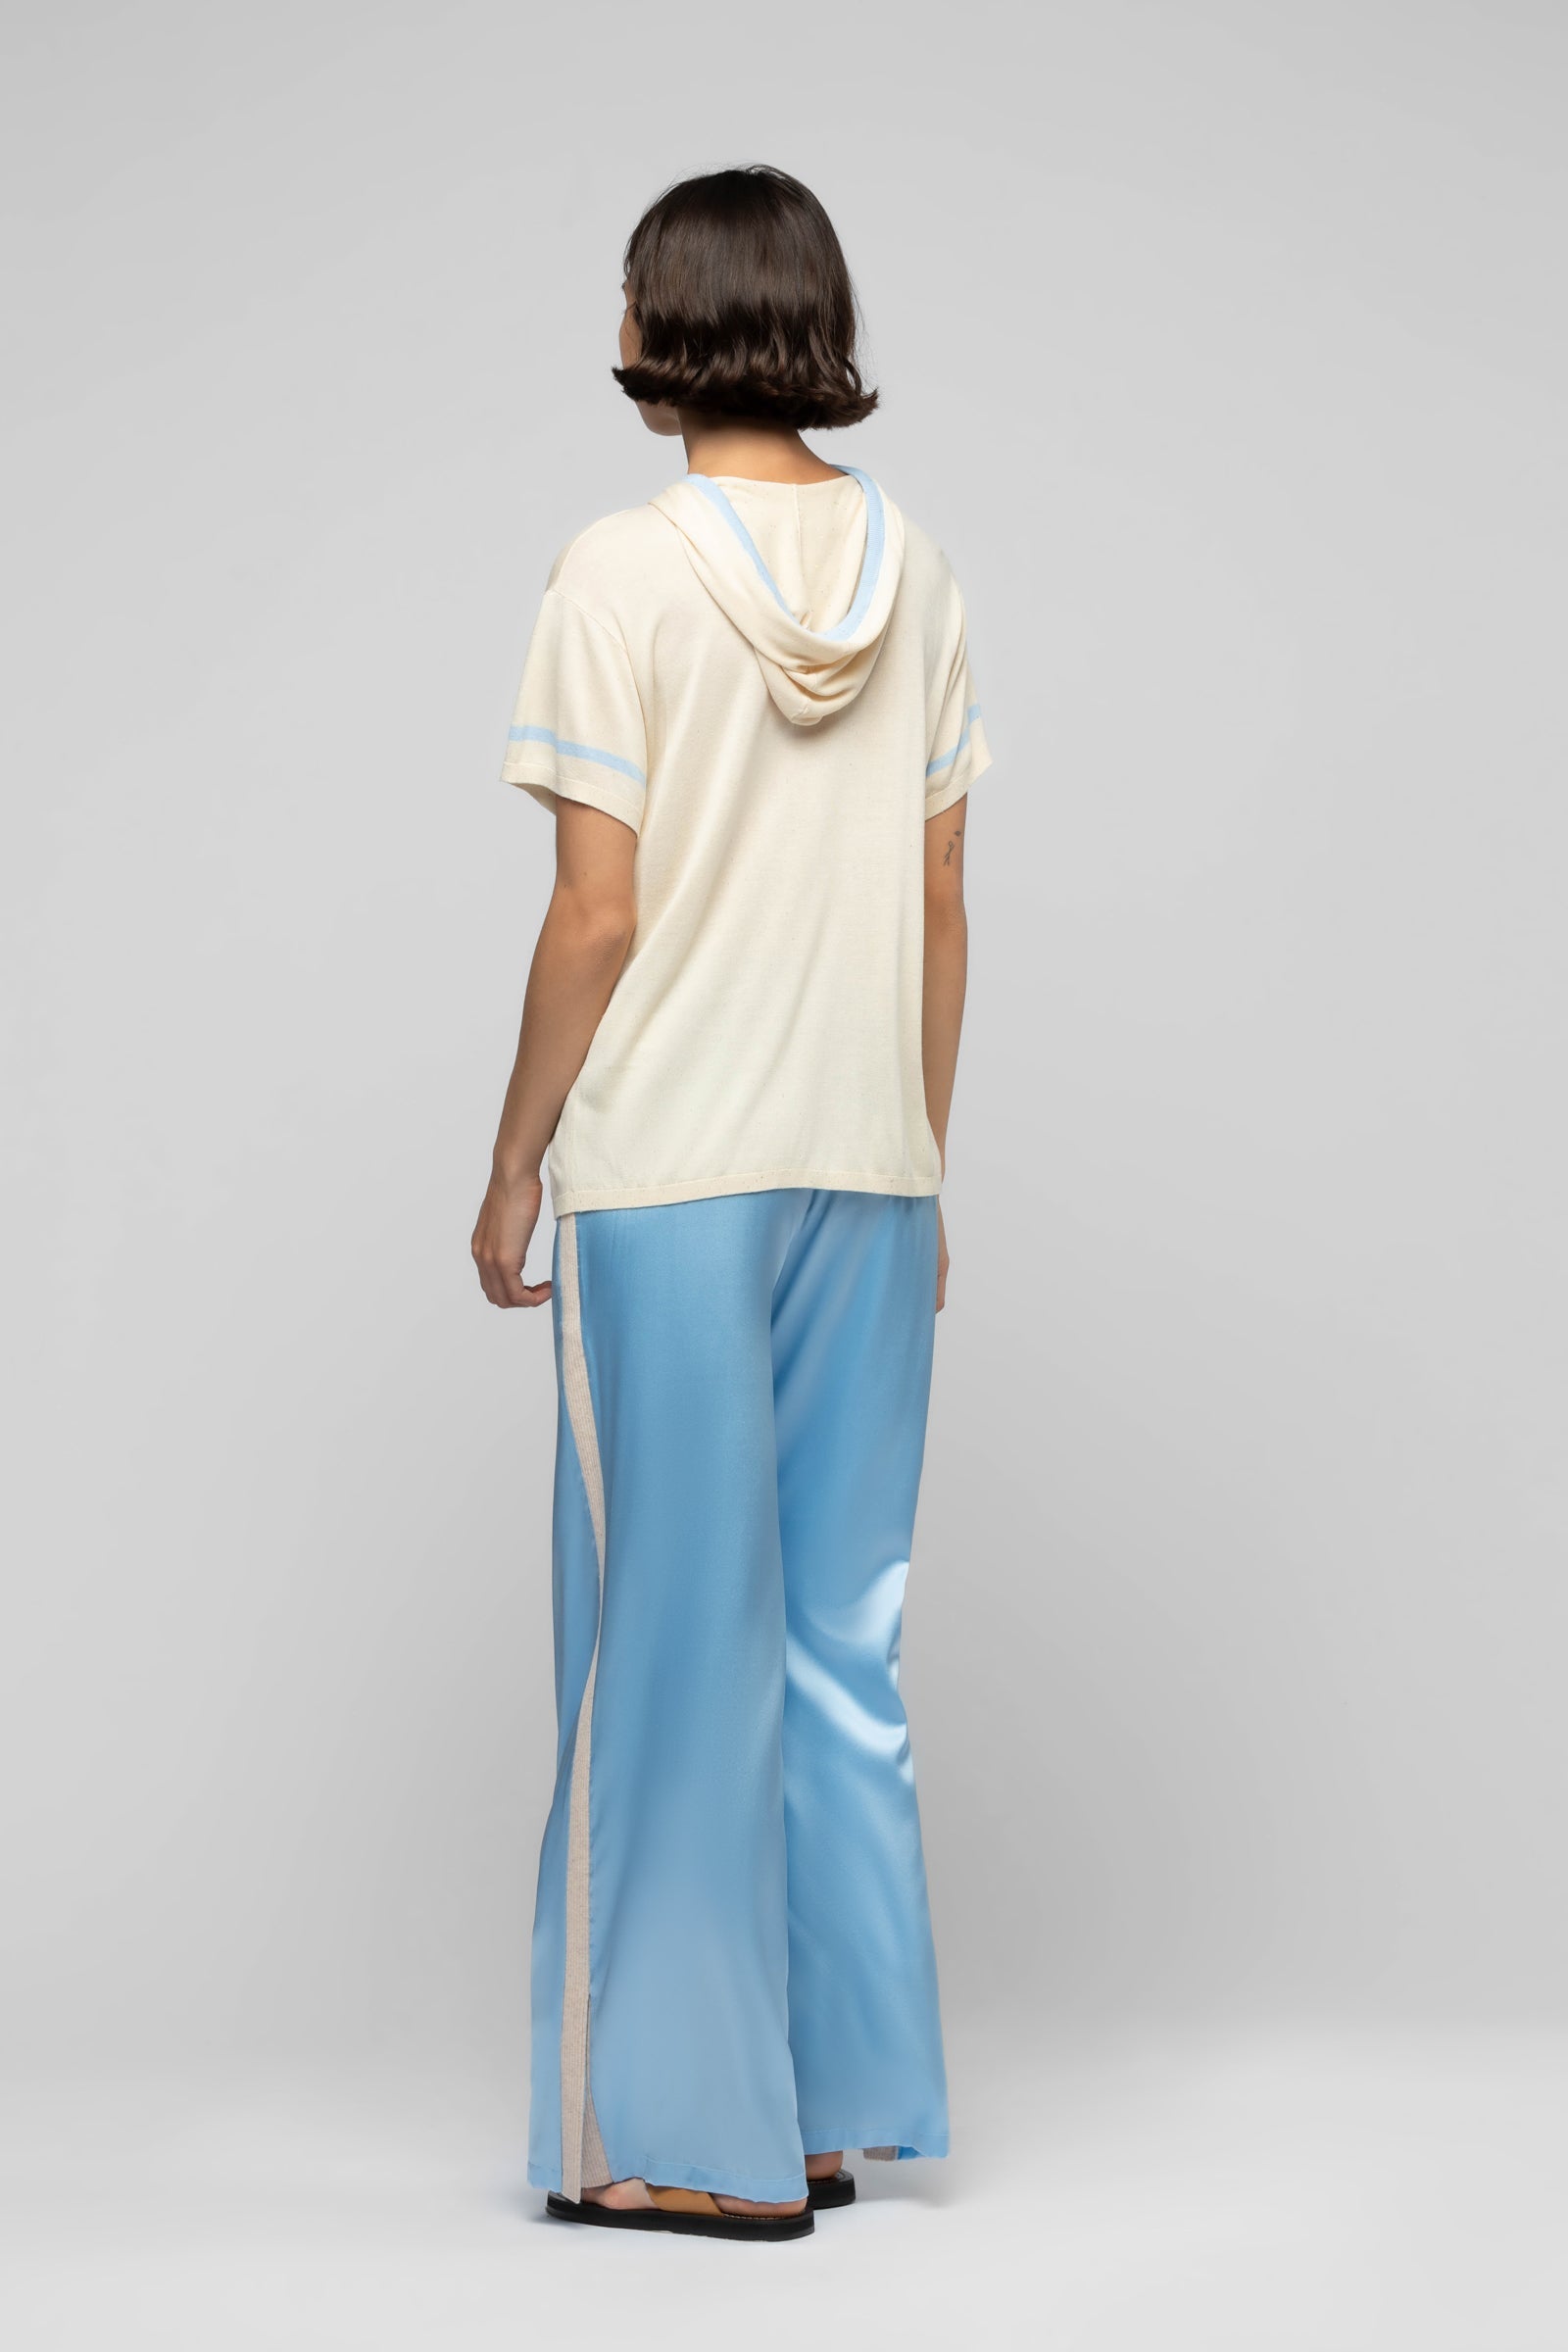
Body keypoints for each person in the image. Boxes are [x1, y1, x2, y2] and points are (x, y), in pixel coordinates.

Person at [471, 165, 991, 2244]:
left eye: (627, 286)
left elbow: (592, 919)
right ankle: (825, 2104)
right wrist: (920, 1160)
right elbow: (940, 902)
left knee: (674, 1644)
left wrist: (514, 1156)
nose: (612, 312)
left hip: (676, 1178)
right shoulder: (916, 569)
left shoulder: (616, 572)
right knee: (839, 1645)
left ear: (670, 319)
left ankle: (690, 2135)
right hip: (866, 1167)